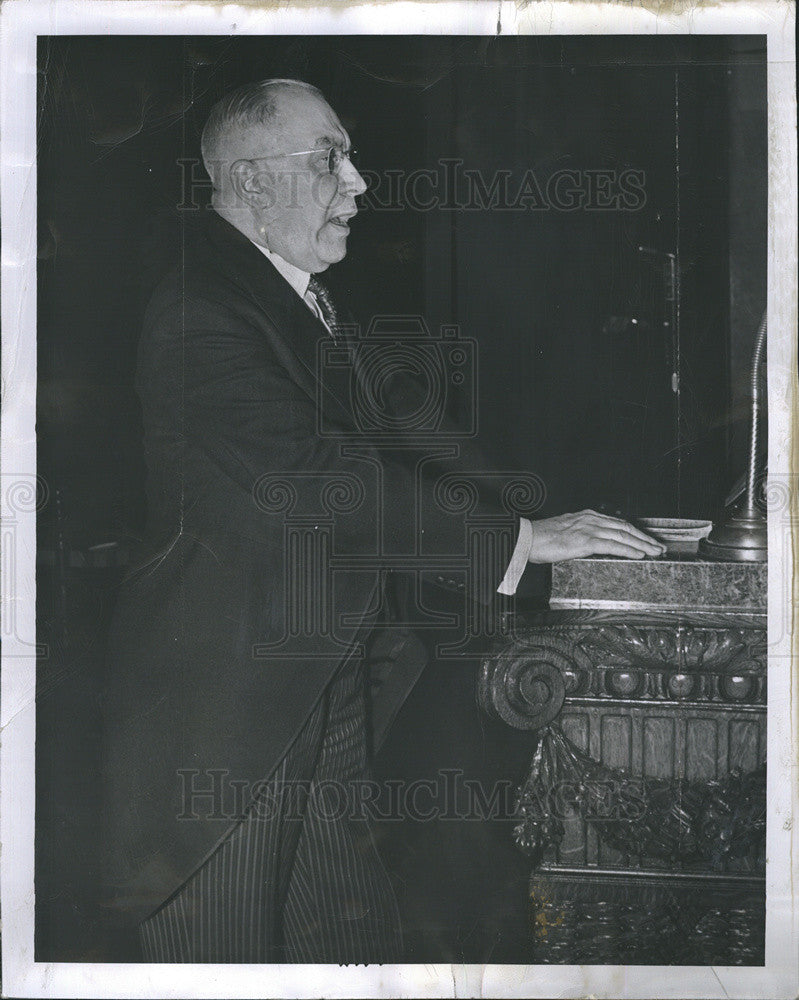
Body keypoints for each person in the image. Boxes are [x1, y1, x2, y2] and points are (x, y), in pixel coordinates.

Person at [99, 77, 664, 964]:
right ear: (250, 182)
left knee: (350, 939)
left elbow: (412, 433)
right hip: (227, 714)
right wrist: (518, 545)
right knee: (224, 958)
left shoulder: (296, 298)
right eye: (329, 158)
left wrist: (541, 516)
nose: (358, 182)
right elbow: (322, 479)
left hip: (319, 684)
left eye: (349, 157)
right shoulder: (198, 309)